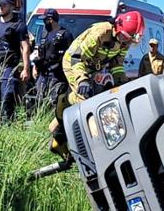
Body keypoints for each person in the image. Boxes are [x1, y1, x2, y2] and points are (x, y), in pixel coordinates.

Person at [47, 10, 141, 159]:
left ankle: (56, 132)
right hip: (74, 63)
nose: (126, 43)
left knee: (101, 100)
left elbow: (117, 64)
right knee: (84, 102)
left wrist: (121, 83)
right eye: (125, 38)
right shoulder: (101, 32)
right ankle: (84, 147)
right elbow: (77, 58)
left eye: (129, 40)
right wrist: (82, 79)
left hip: (92, 67)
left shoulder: (124, 40)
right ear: (118, 27)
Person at [29, 9, 73, 110]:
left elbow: (71, 56)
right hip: (43, 74)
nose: (44, 23)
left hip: (57, 75)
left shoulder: (65, 35)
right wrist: (35, 67)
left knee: (54, 101)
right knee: (40, 100)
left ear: (50, 20)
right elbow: (40, 54)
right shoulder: (44, 35)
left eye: (45, 20)